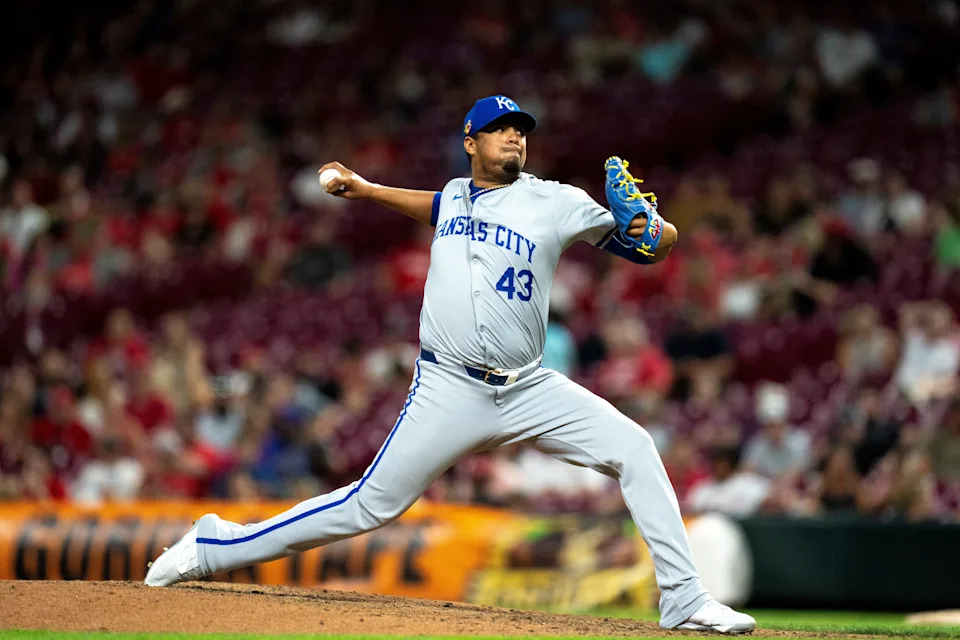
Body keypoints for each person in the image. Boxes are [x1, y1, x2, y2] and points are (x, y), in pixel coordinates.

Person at [145, 95, 755, 634]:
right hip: (449, 387)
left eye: (520, 129)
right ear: (471, 142)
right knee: (368, 506)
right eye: (500, 129)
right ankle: (212, 545)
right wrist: (365, 189)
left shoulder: (556, 201)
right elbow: (433, 206)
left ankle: (684, 598)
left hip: (530, 387)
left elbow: (651, 247)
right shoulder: (457, 196)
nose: (515, 136)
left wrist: (657, 226)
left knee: (636, 447)